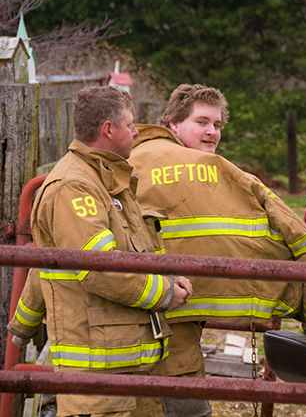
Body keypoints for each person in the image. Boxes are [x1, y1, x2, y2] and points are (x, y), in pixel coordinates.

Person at [128, 84, 306, 417]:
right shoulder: (222, 174)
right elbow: (303, 239)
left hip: (124, 328)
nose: (212, 132)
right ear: (173, 124)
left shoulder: (129, 159)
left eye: (217, 125)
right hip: (170, 330)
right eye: (202, 122)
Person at [8, 86, 193, 417]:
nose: (136, 131)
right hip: (98, 373)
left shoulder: (106, 179)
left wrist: (169, 276)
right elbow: (100, 269)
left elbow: (131, 255)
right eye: (131, 124)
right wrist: (165, 294)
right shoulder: (74, 187)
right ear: (108, 129)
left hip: (126, 363)